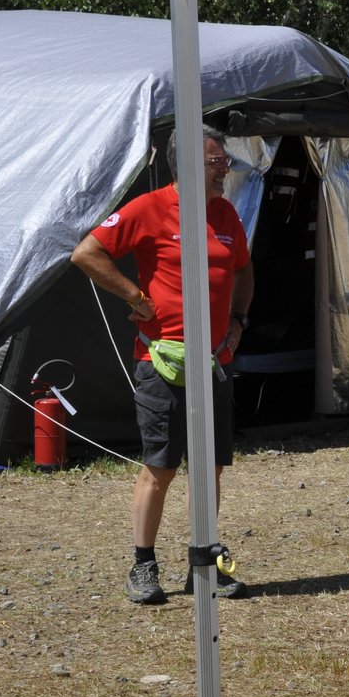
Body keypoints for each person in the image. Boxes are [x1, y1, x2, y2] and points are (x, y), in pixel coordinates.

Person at [71, 124, 255, 603]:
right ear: (189, 165)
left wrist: (238, 320)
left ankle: (204, 561)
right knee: (162, 465)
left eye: (225, 161)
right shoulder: (149, 208)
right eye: (217, 162)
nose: (225, 170)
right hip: (163, 363)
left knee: (210, 466)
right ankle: (143, 565)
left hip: (216, 362)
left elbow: (242, 269)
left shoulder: (225, 213)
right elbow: (86, 253)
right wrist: (134, 295)